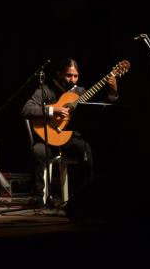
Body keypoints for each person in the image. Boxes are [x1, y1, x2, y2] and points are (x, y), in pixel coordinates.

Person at [21, 58, 118, 205]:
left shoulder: (80, 92)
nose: (72, 79)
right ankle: (37, 196)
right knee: (38, 151)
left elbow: (101, 108)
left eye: (76, 76)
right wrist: (54, 110)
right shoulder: (45, 90)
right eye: (68, 75)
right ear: (59, 74)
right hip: (48, 140)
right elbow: (26, 110)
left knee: (86, 149)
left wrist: (113, 91)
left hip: (71, 139)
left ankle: (84, 198)